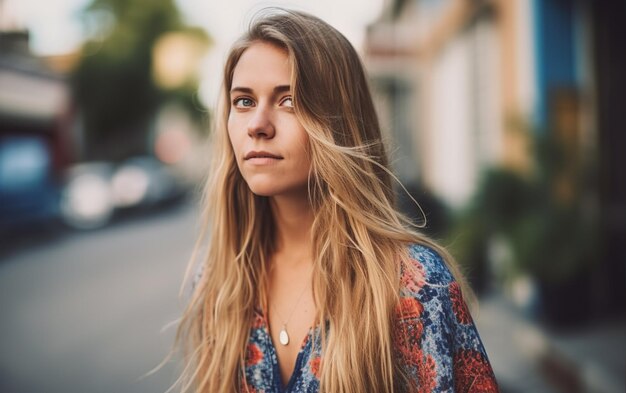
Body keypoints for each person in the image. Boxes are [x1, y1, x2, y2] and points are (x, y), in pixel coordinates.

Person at [176, 9, 499, 393]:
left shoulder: (412, 286)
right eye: (243, 101)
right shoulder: (218, 283)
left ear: (339, 121)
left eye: (290, 100)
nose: (257, 125)